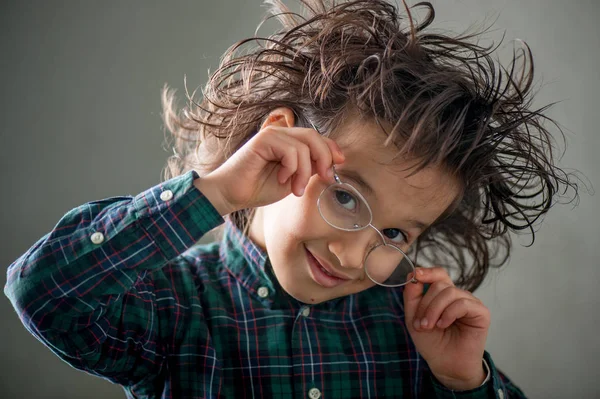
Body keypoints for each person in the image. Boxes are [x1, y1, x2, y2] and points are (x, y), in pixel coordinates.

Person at [5, 0, 579, 397]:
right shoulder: (175, 308)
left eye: (396, 234)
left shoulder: (413, 336)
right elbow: (43, 293)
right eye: (349, 199)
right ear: (280, 143)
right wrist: (218, 191)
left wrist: (462, 382)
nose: (355, 257)